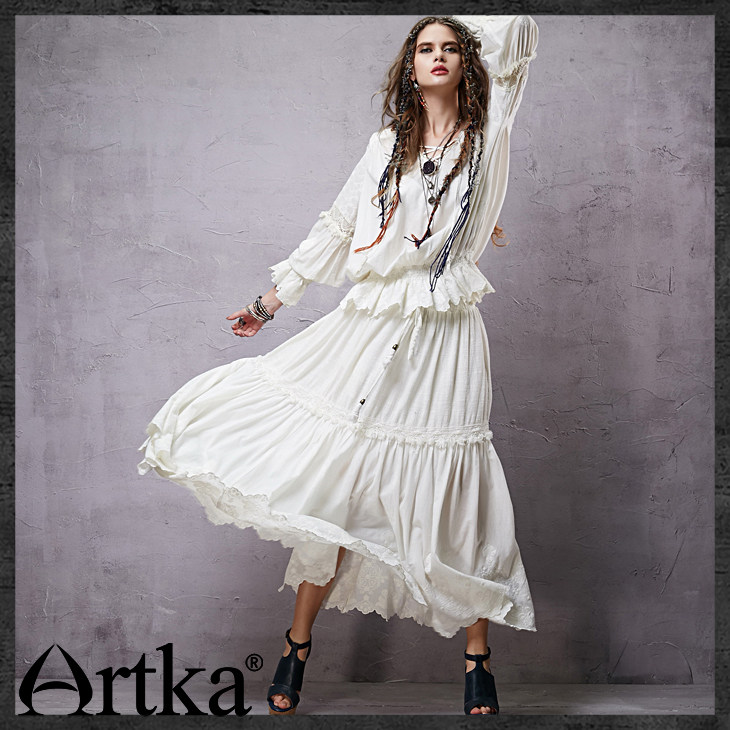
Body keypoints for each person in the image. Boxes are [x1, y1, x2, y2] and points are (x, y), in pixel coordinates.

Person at [137, 14, 539, 715]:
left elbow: (518, 35)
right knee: (342, 484)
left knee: (456, 486)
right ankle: (297, 644)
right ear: (409, 66)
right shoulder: (385, 146)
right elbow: (336, 226)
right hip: (371, 324)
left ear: (468, 63)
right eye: (425, 48)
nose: (438, 57)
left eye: (451, 49)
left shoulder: (487, 140)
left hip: (446, 332)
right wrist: (268, 303)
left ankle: (477, 658)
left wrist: (468, 38)